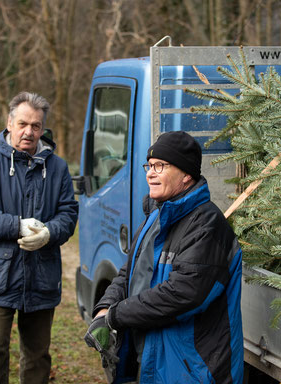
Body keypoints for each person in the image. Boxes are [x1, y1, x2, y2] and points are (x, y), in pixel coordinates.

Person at [84, 130, 244, 383]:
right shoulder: (155, 217)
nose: (150, 172)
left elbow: (183, 294)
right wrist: (104, 309)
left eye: (161, 165)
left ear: (187, 174)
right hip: (152, 359)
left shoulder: (207, 226)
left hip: (191, 370)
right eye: (149, 165)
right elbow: (129, 272)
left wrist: (116, 315)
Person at [0, 91, 78, 384]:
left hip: (42, 275)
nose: (29, 131)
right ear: (9, 123)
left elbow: (68, 214)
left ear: (42, 129)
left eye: (36, 126)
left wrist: (50, 232)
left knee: (37, 355)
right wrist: (17, 226)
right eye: (23, 123)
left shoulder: (58, 168)